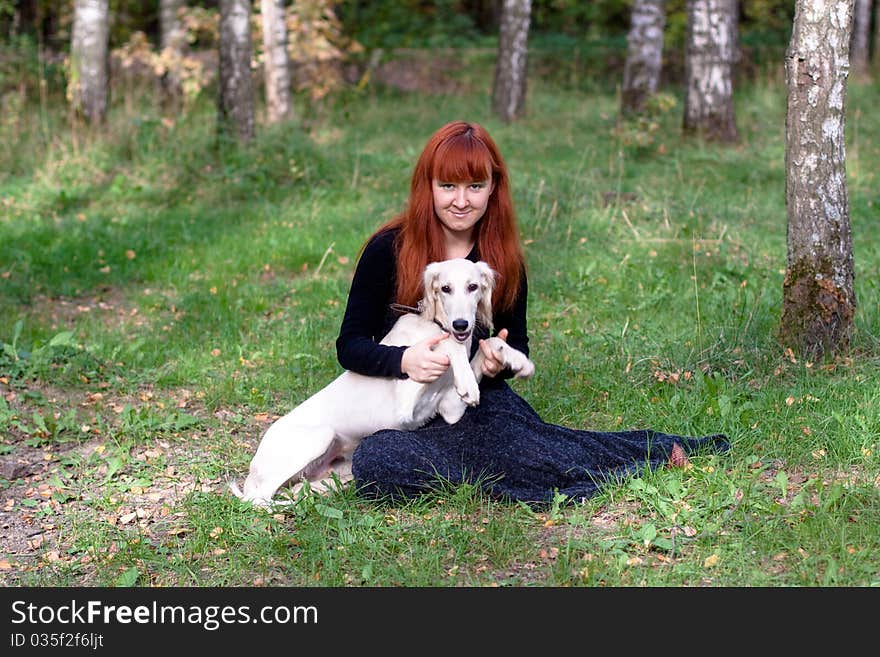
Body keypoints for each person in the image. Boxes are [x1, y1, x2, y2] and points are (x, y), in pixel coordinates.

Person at [336, 120, 728, 506]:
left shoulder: (503, 261)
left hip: (472, 401)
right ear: (428, 187)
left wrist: (493, 364)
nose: (461, 200)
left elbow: (515, 344)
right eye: (448, 186)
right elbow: (350, 346)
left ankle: (648, 454)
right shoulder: (388, 249)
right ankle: (504, 469)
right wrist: (404, 359)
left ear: (493, 188)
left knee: (523, 446)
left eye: (475, 186)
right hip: (403, 407)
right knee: (376, 462)